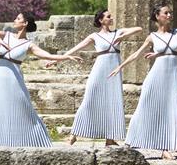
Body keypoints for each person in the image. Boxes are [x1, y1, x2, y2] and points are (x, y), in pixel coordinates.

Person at [0, 12, 82, 147]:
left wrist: (66, 57)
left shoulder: (28, 45)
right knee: (1, 108)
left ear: (25, 23)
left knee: (23, 107)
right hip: (0, 77)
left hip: (15, 79)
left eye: (18, 18)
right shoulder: (7, 35)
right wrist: (0, 41)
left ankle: (37, 140)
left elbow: (46, 55)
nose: (14, 20)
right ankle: (0, 141)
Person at [110, 4, 177, 160]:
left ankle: (165, 147)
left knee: (170, 109)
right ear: (157, 16)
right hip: (156, 77)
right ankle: (132, 140)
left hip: (171, 79)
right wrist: (120, 67)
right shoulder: (152, 37)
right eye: (166, 13)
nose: (169, 15)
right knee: (145, 106)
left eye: (170, 13)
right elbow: (136, 54)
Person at [57, 9, 141, 146]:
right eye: (108, 16)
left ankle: (110, 138)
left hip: (114, 72)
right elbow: (76, 48)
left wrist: (122, 36)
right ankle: (74, 134)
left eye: (111, 16)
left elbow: (139, 29)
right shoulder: (94, 36)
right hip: (99, 71)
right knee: (89, 99)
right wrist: (58, 59)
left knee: (113, 102)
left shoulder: (117, 33)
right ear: (101, 20)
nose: (111, 18)